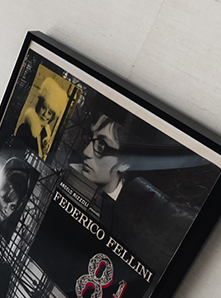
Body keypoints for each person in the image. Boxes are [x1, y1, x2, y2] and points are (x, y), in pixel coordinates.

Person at [66, 111, 208, 269]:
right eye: (89, 138)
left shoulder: (146, 198)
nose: (86, 152)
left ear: (124, 163)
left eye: (101, 145)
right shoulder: (108, 208)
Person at [12, 66, 72, 161]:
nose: (45, 115)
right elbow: (15, 156)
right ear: (38, 105)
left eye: (50, 113)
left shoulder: (44, 137)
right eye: (44, 108)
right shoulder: (25, 129)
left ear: (52, 117)